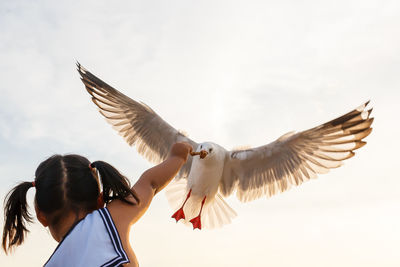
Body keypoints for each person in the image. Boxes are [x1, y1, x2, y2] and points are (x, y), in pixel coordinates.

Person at [2, 142, 193, 267]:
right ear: (100, 200)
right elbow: (150, 182)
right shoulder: (107, 220)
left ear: (41, 214)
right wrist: (178, 157)